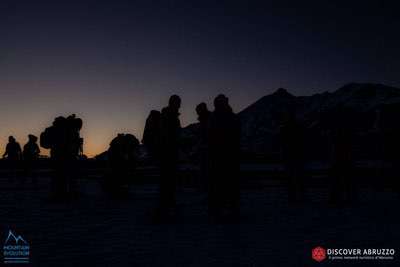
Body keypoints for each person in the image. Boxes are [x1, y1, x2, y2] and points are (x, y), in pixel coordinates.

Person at [207, 94, 241, 220]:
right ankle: (225, 208)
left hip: (224, 155)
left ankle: (225, 208)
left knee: (224, 183)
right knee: (224, 183)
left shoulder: (217, 118)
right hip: (223, 156)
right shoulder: (228, 118)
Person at [155, 95, 182, 220]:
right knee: (168, 180)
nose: (180, 105)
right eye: (178, 102)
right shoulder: (169, 117)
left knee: (168, 180)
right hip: (168, 153)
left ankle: (167, 205)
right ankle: (166, 206)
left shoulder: (169, 116)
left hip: (167, 153)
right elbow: (168, 136)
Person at [279, 111, 306, 203]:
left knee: (290, 176)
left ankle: (292, 196)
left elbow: (282, 142)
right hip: (298, 155)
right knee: (299, 176)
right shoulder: (299, 128)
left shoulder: (284, 128)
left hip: (289, 155)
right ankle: (300, 195)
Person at [195, 102, 211, 191]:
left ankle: (205, 186)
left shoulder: (207, 120)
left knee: (206, 168)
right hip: (204, 148)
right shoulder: (205, 120)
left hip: (207, 148)